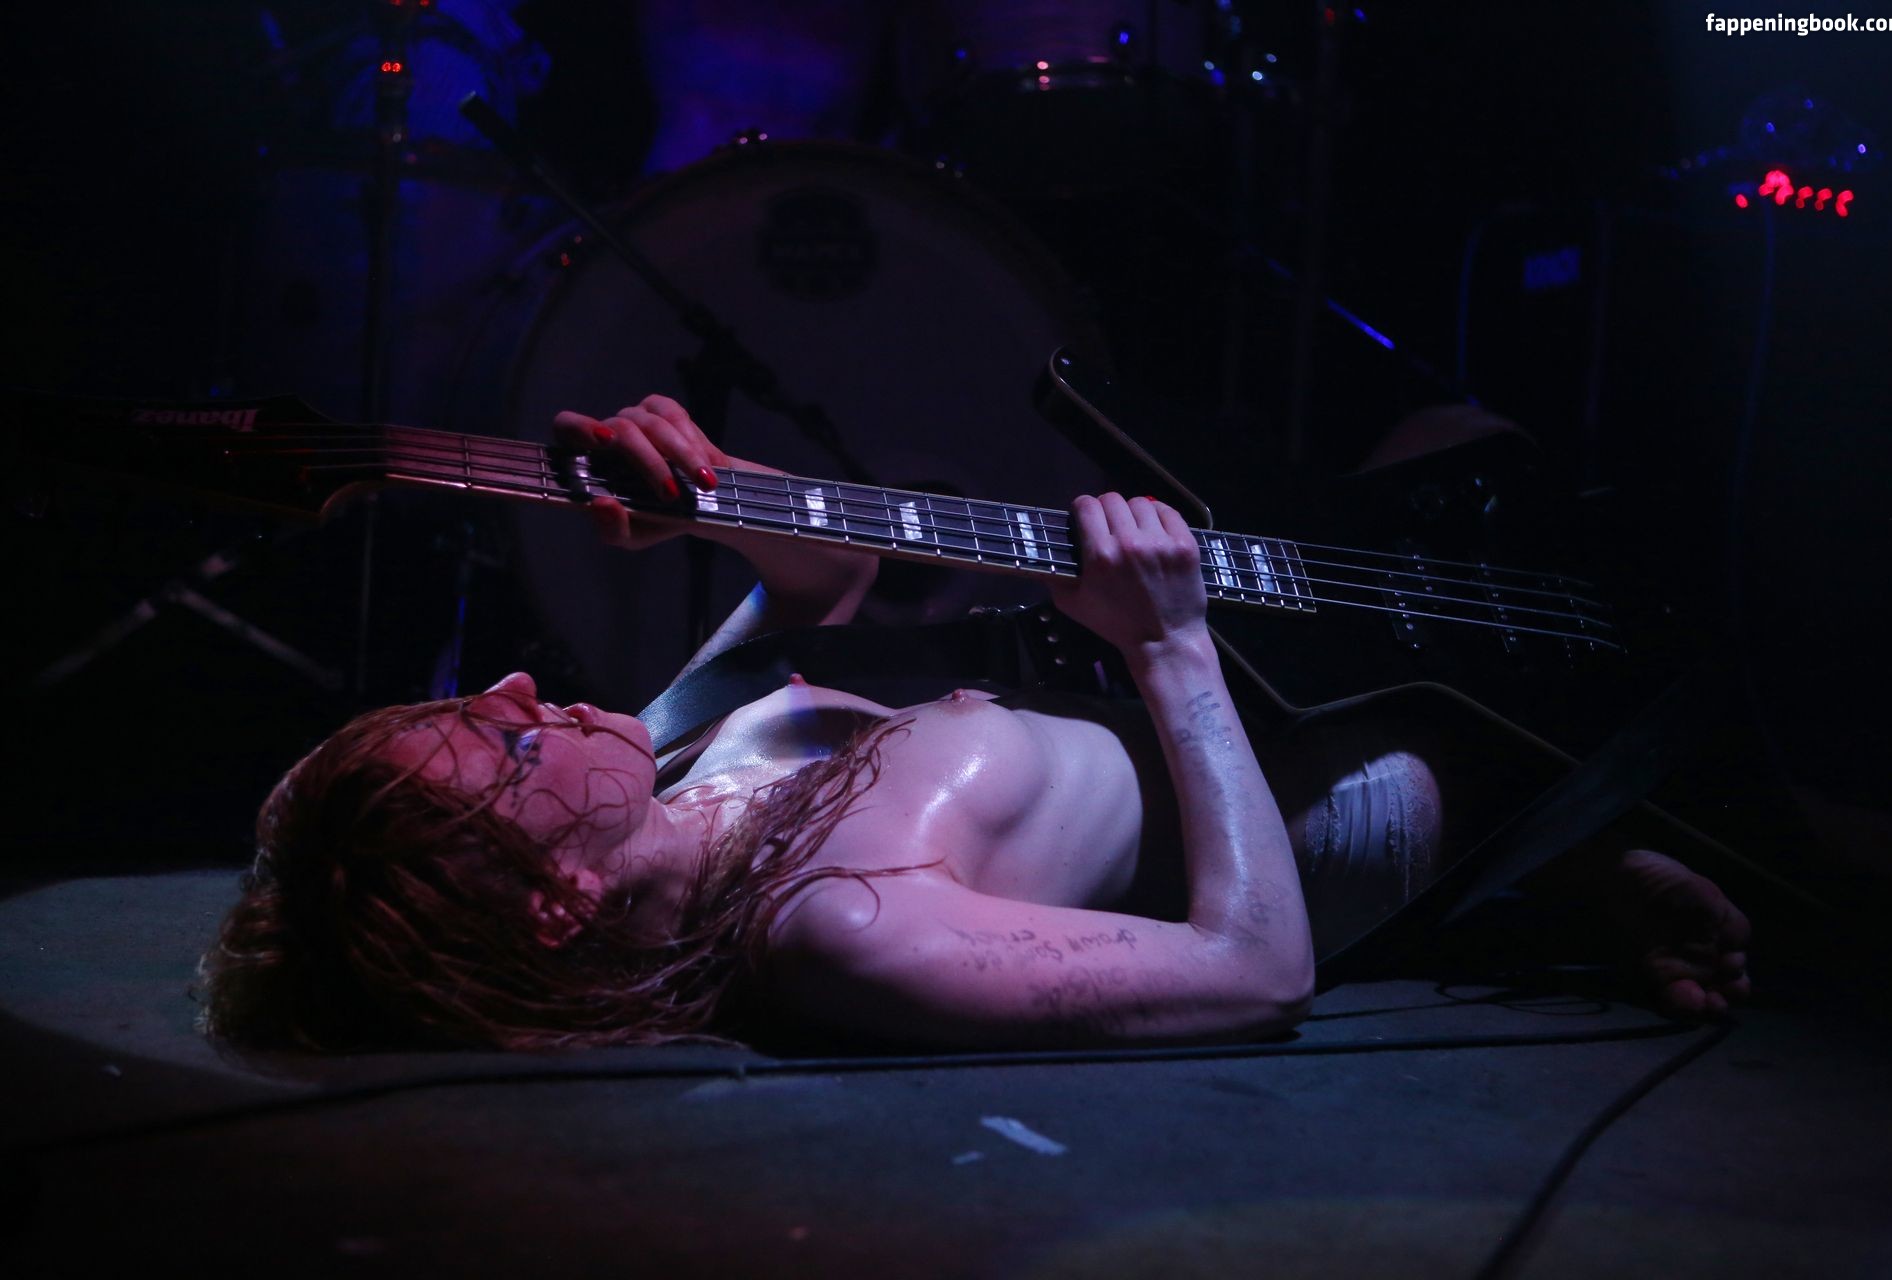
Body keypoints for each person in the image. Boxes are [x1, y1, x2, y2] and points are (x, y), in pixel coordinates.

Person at [197, 395, 1752, 1052]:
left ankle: (1586, 866)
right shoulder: (836, 928)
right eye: (509, 749)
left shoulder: (680, 760)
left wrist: (702, 503)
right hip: (1353, 791)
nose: (519, 692)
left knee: (1454, 440)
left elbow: (830, 582)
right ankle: (1567, 848)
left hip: (1262, 692)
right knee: (1701, 622)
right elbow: (1254, 970)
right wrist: (1172, 648)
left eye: (478, 701)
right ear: (555, 903)